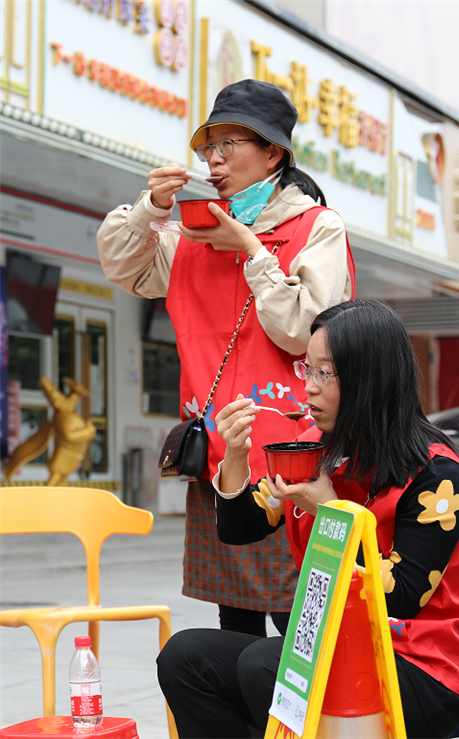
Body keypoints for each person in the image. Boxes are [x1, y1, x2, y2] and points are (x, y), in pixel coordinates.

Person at [156, 300, 459, 739]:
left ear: (369, 379)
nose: (308, 388)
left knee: (266, 665)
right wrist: (234, 458)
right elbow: (239, 529)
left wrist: (331, 512)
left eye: (324, 373)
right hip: (326, 646)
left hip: (419, 669)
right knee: (184, 657)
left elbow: (399, 598)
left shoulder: (437, 477)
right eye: (306, 370)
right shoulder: (314, 448)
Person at [97, 79, 355, 638]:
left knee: (299, 624)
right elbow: (121, 266)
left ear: (273, 153)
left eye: (229, 144)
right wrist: (150, 209)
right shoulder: (190, 236)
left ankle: (295, 704)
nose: (213, 160)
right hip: (220, 456)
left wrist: (253, 252)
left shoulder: (318, 227)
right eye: (208, 147)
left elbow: (304, 332)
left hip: (295, 461)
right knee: (233, 622)